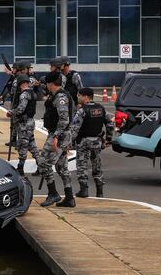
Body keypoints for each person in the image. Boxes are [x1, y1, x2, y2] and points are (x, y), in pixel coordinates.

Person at [39, 71, 75, 207]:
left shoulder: (60, 97)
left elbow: (64, 120)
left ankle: (53, 193)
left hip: (59, 135)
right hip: (61, 135)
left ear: (50, 83)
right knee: (61, 166)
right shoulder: (58, 95)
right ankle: (69, 197)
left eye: (46, 84)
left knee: (43, 163)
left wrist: (56, 136)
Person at [69, 87, 114, 198]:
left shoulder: (82, 110)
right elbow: (110, 123)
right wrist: (108, 138)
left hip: (83, 141)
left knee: (81, 165)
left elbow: (75, 128)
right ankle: (99, 191)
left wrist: (69, 142)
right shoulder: (101, 108)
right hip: (97, 141)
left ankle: (84, 190)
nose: (78, 97)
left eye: (79, 95)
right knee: (97, 165)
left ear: (86, 96)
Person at [7, 75, 39, 175]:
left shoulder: (24, 95)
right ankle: (41, 165)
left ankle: (20, 168)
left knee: (23, 145)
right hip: (30, 122)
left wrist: (11, 112)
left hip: (24, 124)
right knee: (31, 144)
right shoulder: (32, 93)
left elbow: (21, 109)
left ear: (20, 83)